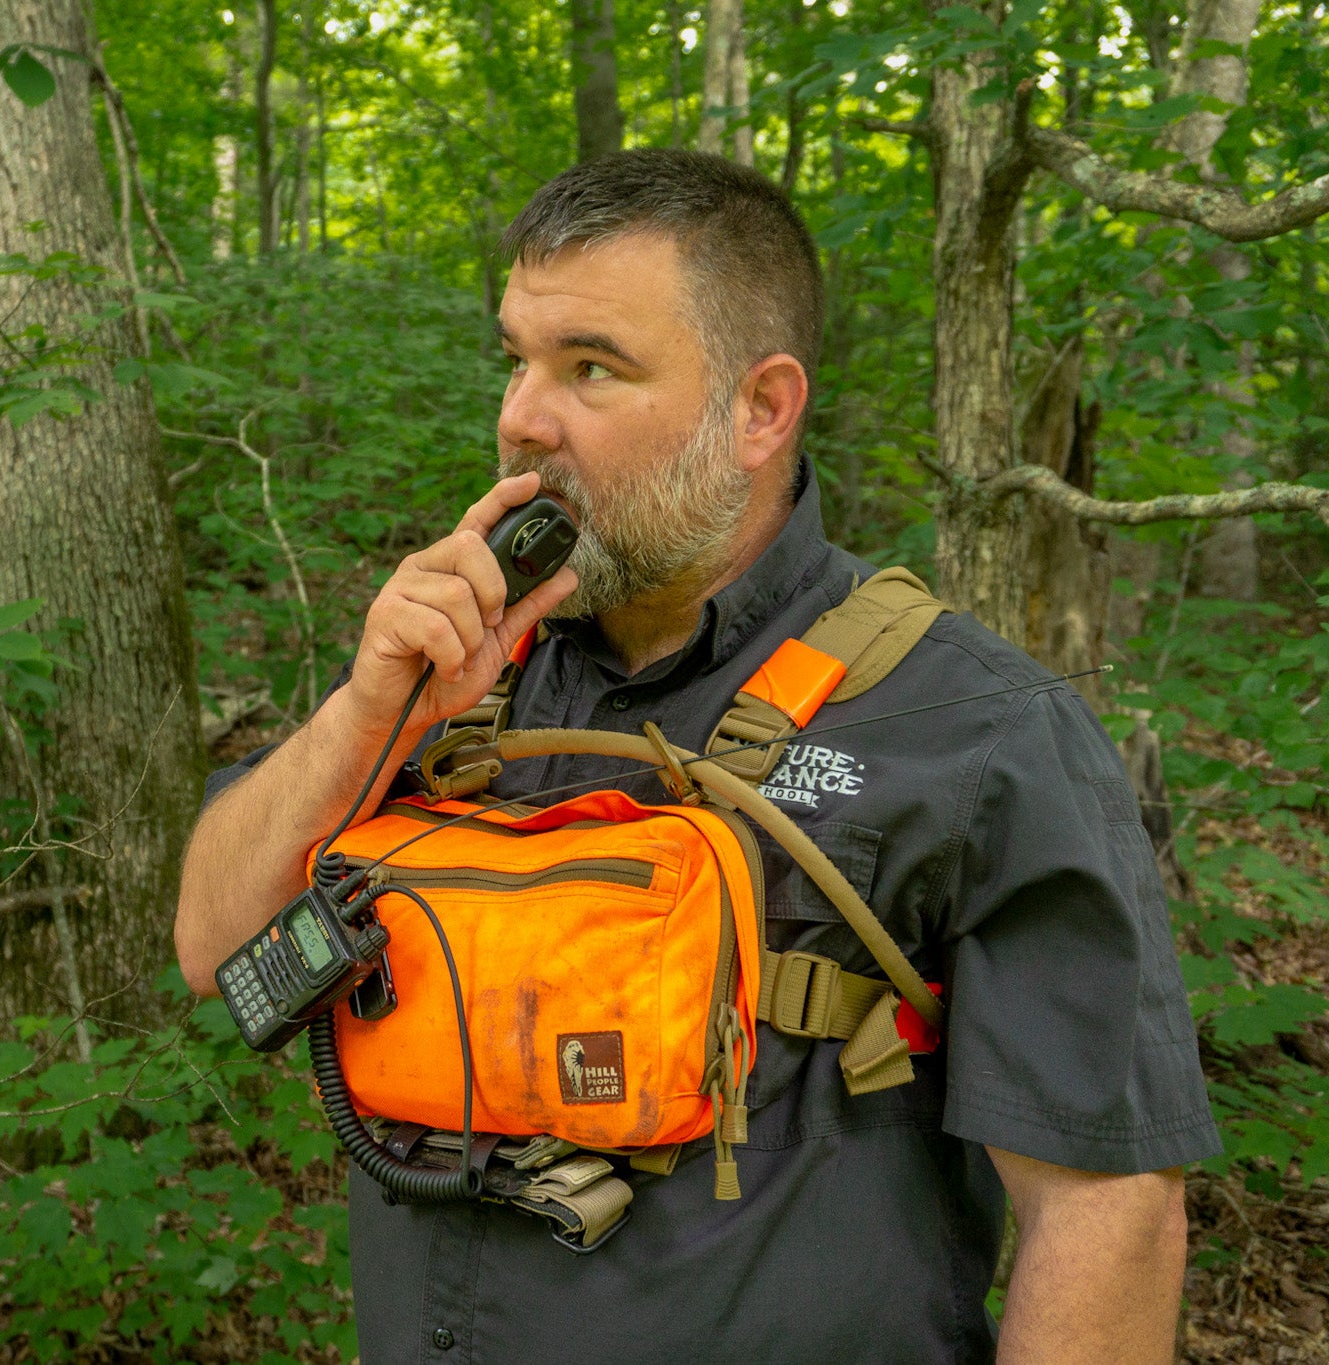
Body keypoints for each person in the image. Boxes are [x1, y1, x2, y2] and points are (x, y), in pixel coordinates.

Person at [174, 149, 1219, 1363]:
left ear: (760, 409)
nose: (519, 414)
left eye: (589, 368)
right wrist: (371, 712)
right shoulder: (454, 678)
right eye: (515, 359)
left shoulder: (976, 731)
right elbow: (211, 947)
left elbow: (1105, 1209)